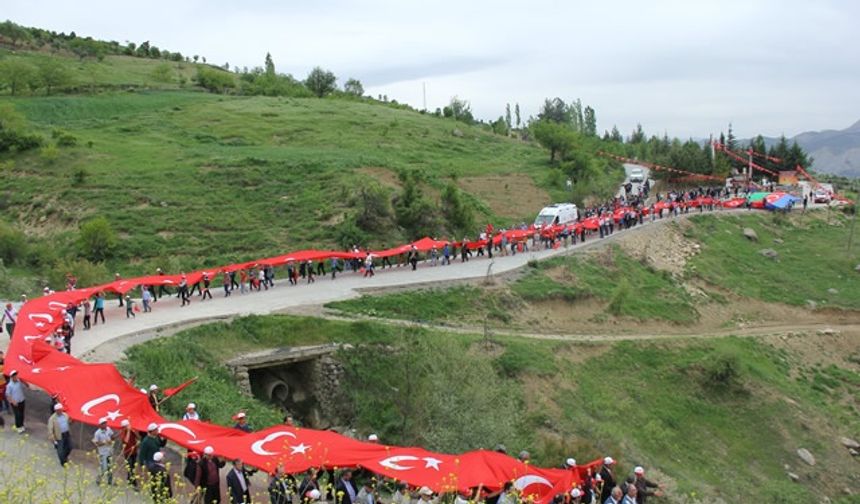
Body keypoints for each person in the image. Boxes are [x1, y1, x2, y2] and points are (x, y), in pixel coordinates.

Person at [92, 418, 116, 485]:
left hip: (110, 451)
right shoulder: (97, 433)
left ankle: (110, 481)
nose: (105, 424)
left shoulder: (108, 429)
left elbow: (112, 436)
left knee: (110, 467)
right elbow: (97, 443)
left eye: (105, 423)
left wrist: (112, 439)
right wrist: (105, 442)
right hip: (103, 452)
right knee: (104, 468)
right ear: (100, 425)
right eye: (103, 423)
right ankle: (98, 479)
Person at [119, 419, 140, 487]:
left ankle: (129, 479)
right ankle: (133, 482)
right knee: (130, 466)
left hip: (134, 451)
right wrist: (128, 431)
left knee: (133, 467)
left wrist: (134, 431)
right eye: (126, 426)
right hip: (127, 452)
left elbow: (138, 437)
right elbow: (126, 441)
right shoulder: (122, 432)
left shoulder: (132, 430)